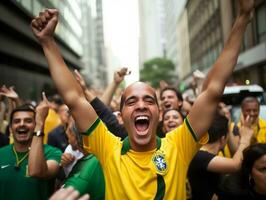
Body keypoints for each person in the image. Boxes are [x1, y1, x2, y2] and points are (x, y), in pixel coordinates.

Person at [31, 1, 254, 198]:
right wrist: (48, 42)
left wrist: (243, 17)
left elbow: (213, 89)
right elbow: (74, 98)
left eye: (149, 101)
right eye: (131, 102)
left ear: (158, 113)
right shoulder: (108, 147)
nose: (140, 105)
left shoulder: (179, 145)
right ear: (121, 116)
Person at [0, 96, 62, 199]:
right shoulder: (1, 153)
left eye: (28, 121)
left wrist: (40, 123)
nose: (22, 124)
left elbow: (38, 172)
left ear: (35, 126)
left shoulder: (52, 153)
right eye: (16, 121)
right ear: (10, 129)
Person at [187, 112, 253, 200]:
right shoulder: (200, 156)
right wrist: (245, 138)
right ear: (223, 138)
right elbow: (235, 165)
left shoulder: (201, 154)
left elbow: (235, 153)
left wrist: (228, 129)